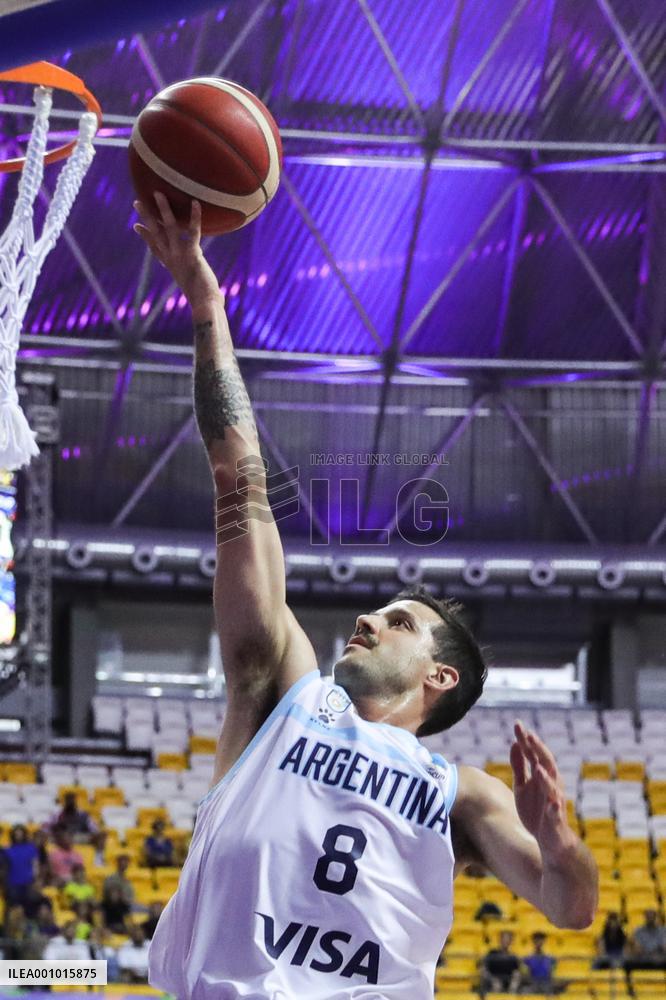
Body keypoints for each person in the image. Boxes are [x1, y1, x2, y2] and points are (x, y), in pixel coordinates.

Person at [135, 195, 598, 999]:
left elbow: (572, 906)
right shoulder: (284, 691)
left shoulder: (463, 794)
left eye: (399, 621)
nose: (367, 618)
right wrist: (208, 306)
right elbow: (239, 482)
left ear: (438, 676)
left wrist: (559, 840)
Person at [0, 825, 38, 906]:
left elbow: (35, 866)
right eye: (16, 834)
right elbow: (4, 868)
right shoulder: (6, 849)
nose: (18, 836)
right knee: (14, 907)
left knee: (29, 906)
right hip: (12, 883)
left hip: (28, 882)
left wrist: (34, 880)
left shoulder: (31, 848)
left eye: (20, 833)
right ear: (12, 835)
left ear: (24, 834)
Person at [479, 929, 523, 995]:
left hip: (507, 982)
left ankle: (511, 996)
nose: (506, 941)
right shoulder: (492, 953)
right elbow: (483, 968)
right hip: (492, 982)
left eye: (508, 939)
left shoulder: (512, 957)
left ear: (511, 941)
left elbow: (517, 971)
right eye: (504, 939)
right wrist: (493, 980)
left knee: (517, 976)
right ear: (500, 940)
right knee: (496, 985)